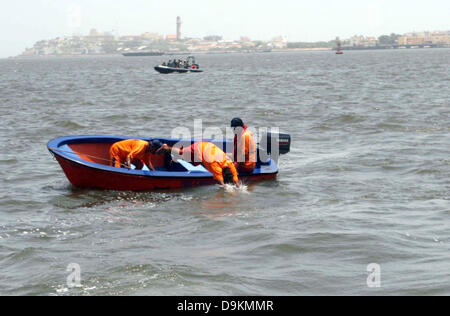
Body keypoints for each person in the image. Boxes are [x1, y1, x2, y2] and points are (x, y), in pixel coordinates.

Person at [157, 141, 240, 187]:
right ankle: (166, 148)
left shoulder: (229, 163)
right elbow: (220, 180)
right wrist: (224, 186)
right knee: (183, 153)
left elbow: (235, 176)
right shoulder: (215, 166)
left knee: (191, 161)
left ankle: (176, 157)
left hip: (207, 146)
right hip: (200, 149)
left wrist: (237, 185)